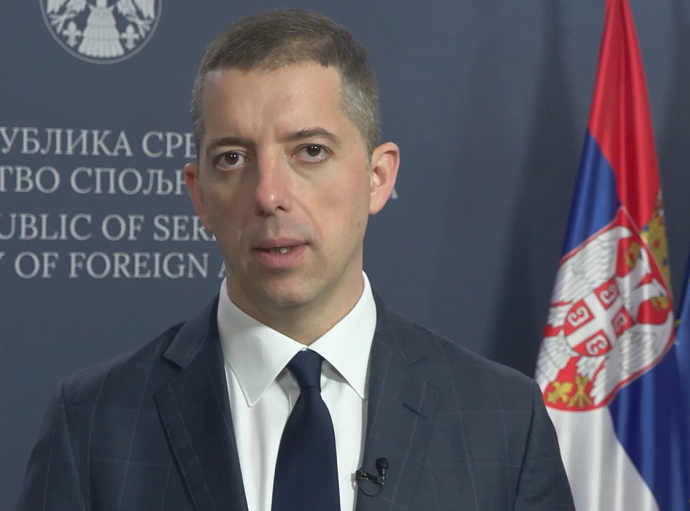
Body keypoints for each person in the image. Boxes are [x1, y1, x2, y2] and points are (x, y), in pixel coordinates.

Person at [16, 9, 575, 511]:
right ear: (199, 194)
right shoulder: (93, 424)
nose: (268, 194)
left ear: (377, 177)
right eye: (232, 158)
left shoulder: (503, 419)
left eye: (310, 151)